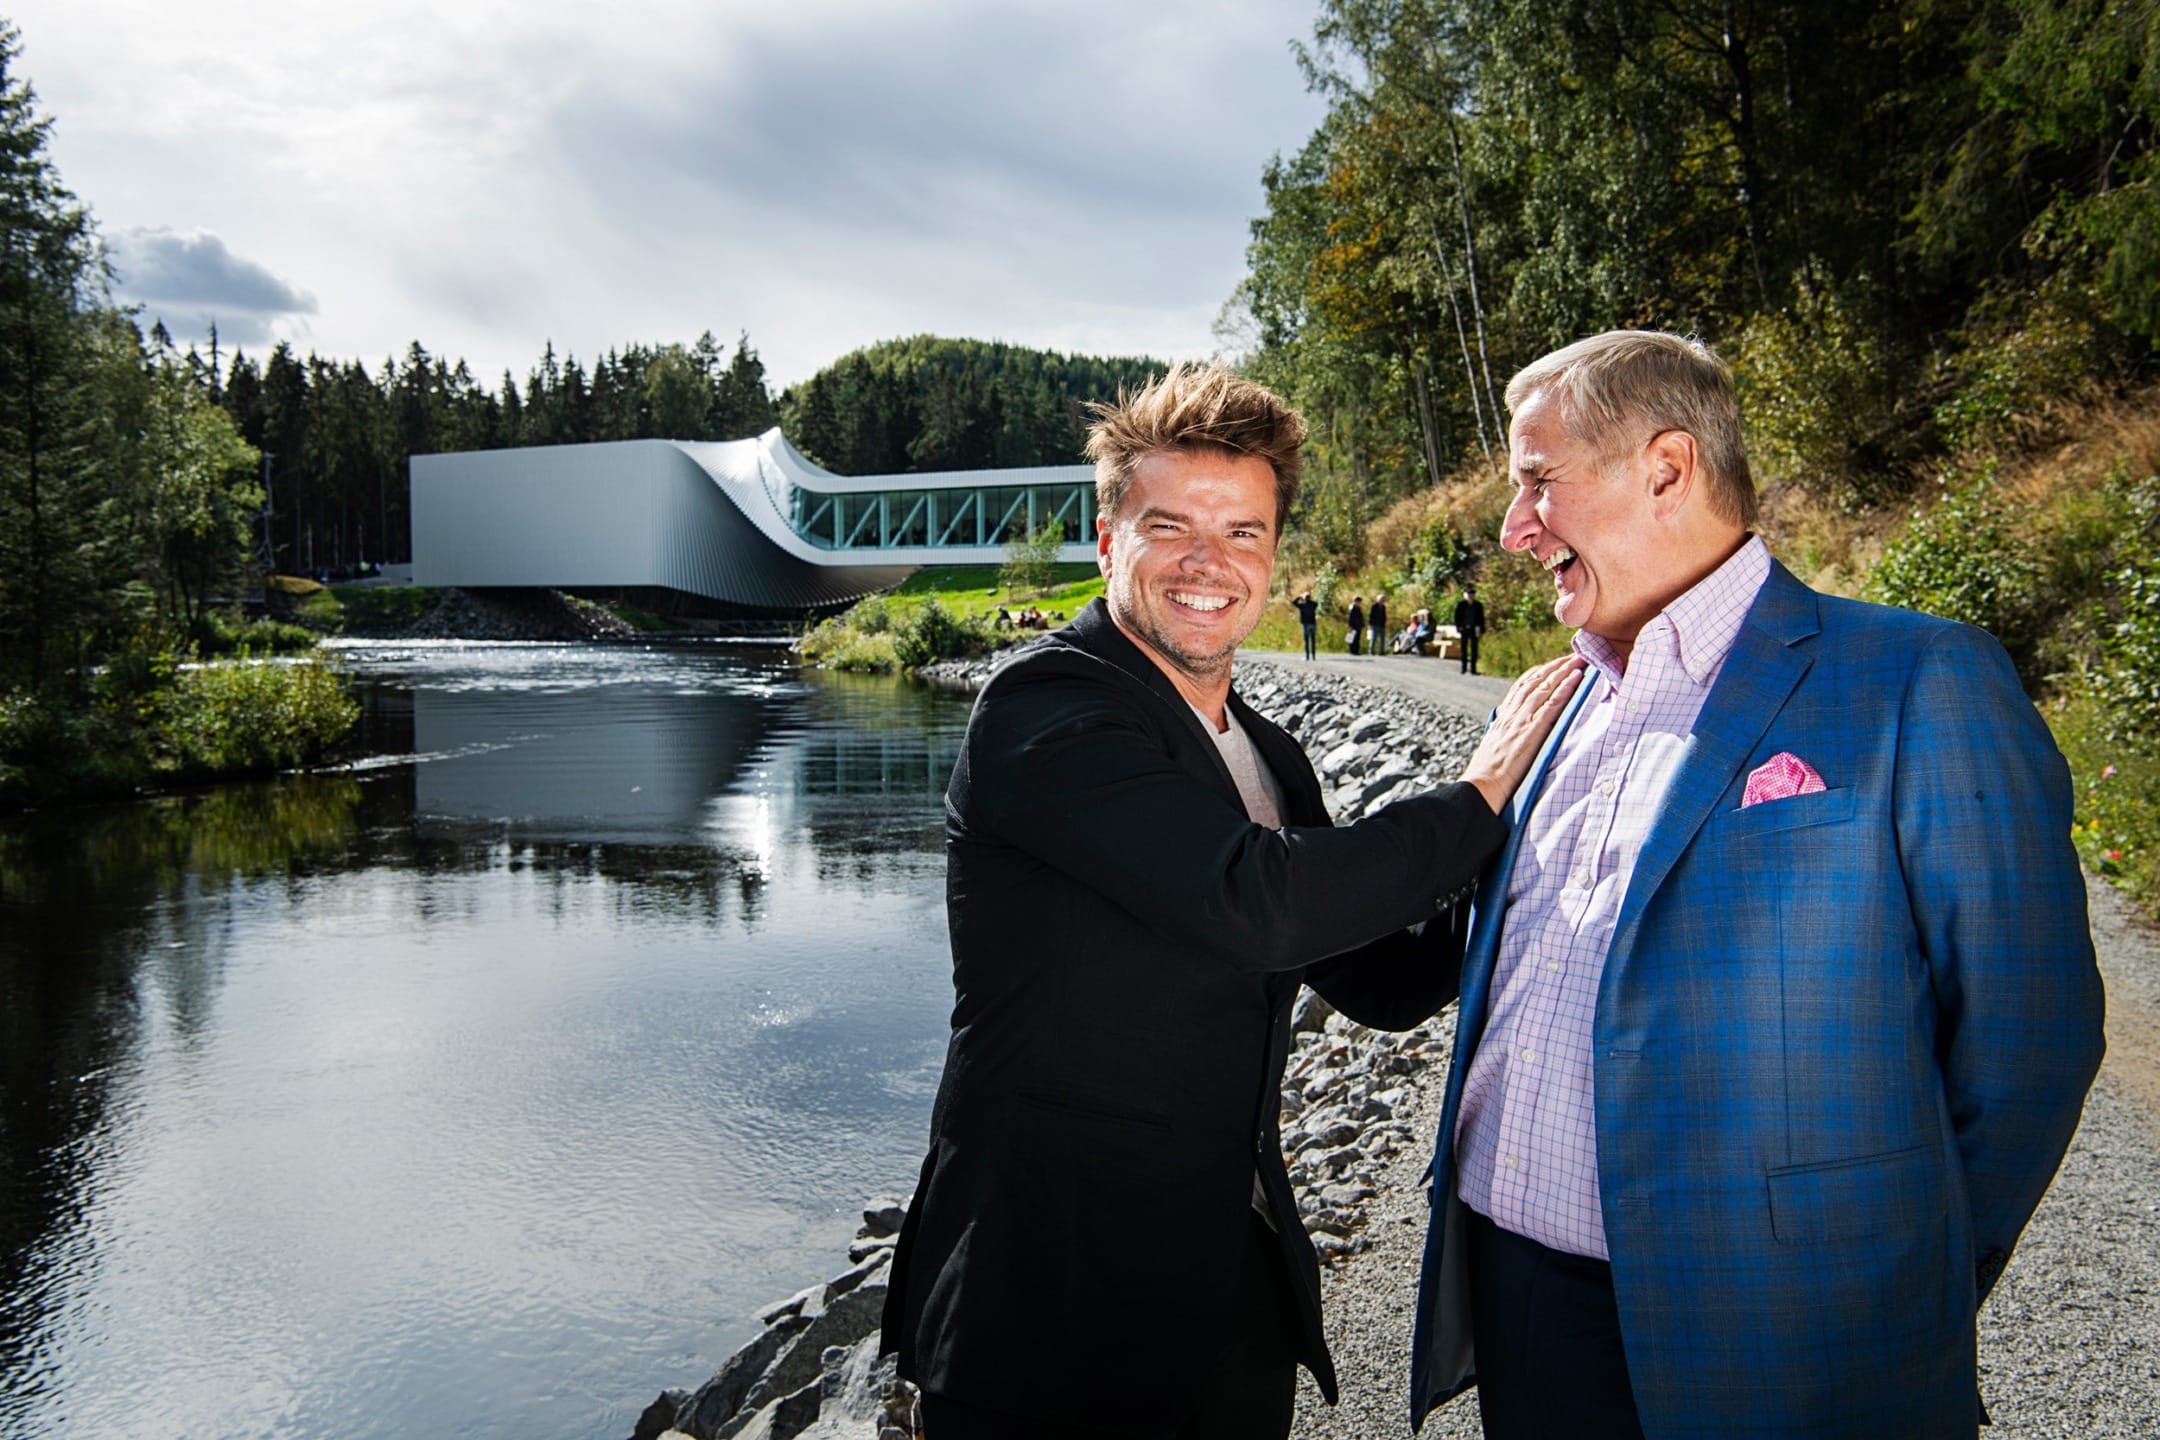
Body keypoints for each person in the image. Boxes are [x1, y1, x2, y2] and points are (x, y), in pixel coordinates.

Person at [1406, 330, 2106, 1440]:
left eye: (1538, 482)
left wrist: (1900, 1282)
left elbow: (2033, 1035)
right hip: (1521, 1305)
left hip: (1792, 1339)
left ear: (1668, 469)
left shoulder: (1919, 678)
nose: (1513, 529)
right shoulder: (1557, 699)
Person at [881, 362, 1584, 1440]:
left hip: (1222, 1290)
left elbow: (1379, 979)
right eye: (1172, 527)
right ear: (1109, 538)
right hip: (1044, 1306)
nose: (1209, 563)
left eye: (1245, 532)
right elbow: (1261, 904)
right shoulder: (1045, 710)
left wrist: (1528, 860)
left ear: (1274, 556)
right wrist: (1479, 792)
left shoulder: (1267, 751)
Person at [1451, 584, 1485, 674]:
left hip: (1474, 629)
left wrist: (1482, 629)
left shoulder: (1478, 605)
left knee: (1474, 649)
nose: (1471, 596)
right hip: (1464, 629)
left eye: (1472, 595)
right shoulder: (1461, 605)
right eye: (1469, 595)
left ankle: (1473, 669)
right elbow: (1456, 617)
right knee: (1463, 649)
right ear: (1465, 595)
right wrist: (1459, 627)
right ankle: (1463, 668)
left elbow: (1481, 618)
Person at [1292, 589, 1319, 660]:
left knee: (1306, 640)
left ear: (1305, 598)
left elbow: (1293, 602)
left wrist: (1300, 597)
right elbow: (1316, 603)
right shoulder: (1314, 604)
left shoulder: (1302, 605)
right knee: (1313, 640)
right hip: (1312, 623)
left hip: (1305, 624)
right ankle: (1313, 656)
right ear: (1310, 598)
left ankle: (1307, 656)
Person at [1368, 593, 1389, 658]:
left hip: (1382, 625)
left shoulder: (1383, 607)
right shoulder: (1374, 606)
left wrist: (1385, 622)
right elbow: (1371, 616)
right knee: (1374, 638)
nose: (1382, 601)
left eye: (1383, 600)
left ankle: (1381, 651)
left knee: (1382, 639)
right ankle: (1371, 651)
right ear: (1378, 599)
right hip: (1375, 625)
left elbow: (1384, 615)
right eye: (1381, 599)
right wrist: (1370, 624)